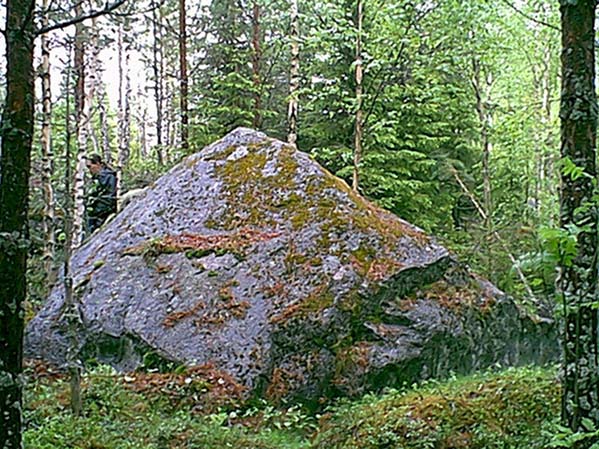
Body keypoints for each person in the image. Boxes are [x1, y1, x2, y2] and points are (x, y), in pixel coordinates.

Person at [85, 154, 117, 234]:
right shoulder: (98, 178)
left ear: (98, 164)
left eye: (90, 166)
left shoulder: (107, 177)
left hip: (102, 215)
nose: (89, 170)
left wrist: (96, 209)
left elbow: (110, 197)